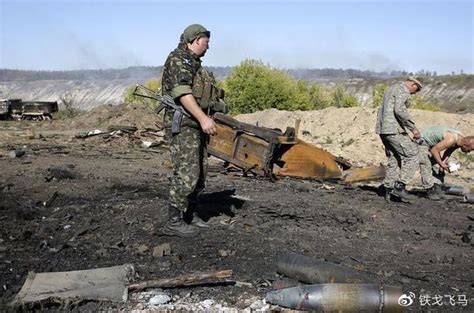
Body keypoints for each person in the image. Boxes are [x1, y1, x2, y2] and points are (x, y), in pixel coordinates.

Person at [160, 24, 228, 237]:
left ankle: (189, 212)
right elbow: (182, 93)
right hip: (185, 124)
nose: (208, 47)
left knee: (200, 173)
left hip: (196, 125)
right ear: (197, 39)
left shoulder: (195, 64)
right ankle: (174, 220)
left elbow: (202, 95)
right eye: (206, 42)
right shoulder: (179, 60)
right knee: (187, 173)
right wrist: (202, 118)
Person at [375, 77, 423, 202]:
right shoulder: (403, 90)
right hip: (393, 129)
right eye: (416, 90)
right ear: (413, 84)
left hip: (383, 129)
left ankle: (387, 189)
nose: (414, 93)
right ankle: (400, 186)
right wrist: (413, 128)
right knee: (413, 155)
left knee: (394, 158)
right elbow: (399, 110)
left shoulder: (391, 89)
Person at [418, 126, 474, 199]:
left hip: (432, 145)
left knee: (438, 167)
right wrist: (441, 164)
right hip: (422, 141)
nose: (469, 152)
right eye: (470, 149)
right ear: (465, 145)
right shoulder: (451, 139)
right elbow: (434, 150)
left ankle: (438, 187)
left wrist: (443, 164)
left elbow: (449, 151)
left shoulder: (460, 141)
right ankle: (429, 190)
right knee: (426, 164)